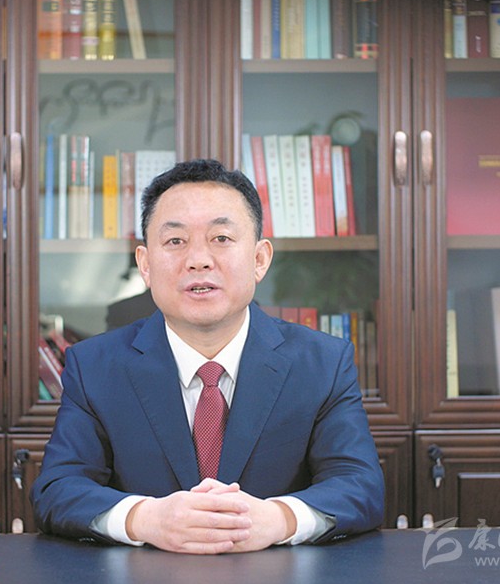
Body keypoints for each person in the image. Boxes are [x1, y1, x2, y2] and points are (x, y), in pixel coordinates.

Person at [32, 159, 384, 554]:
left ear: (259, 259)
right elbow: (57, 489)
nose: (198, 259)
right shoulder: (95, 367)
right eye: (175, 241)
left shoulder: (323, 363)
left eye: (221, 238)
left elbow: (360, 485)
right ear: (145, 265)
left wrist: (277, 519)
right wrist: (146, 519)